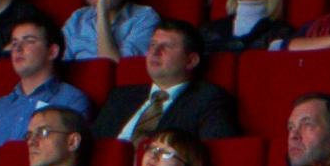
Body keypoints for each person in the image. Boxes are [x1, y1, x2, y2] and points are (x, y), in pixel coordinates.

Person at [88, 23, 243, 146]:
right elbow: (92, 144)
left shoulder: (209, 100)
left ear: (191, 60)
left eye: (166, 47)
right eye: (153, 45)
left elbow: (213, 153)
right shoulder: (121, 96)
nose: (155, 52)